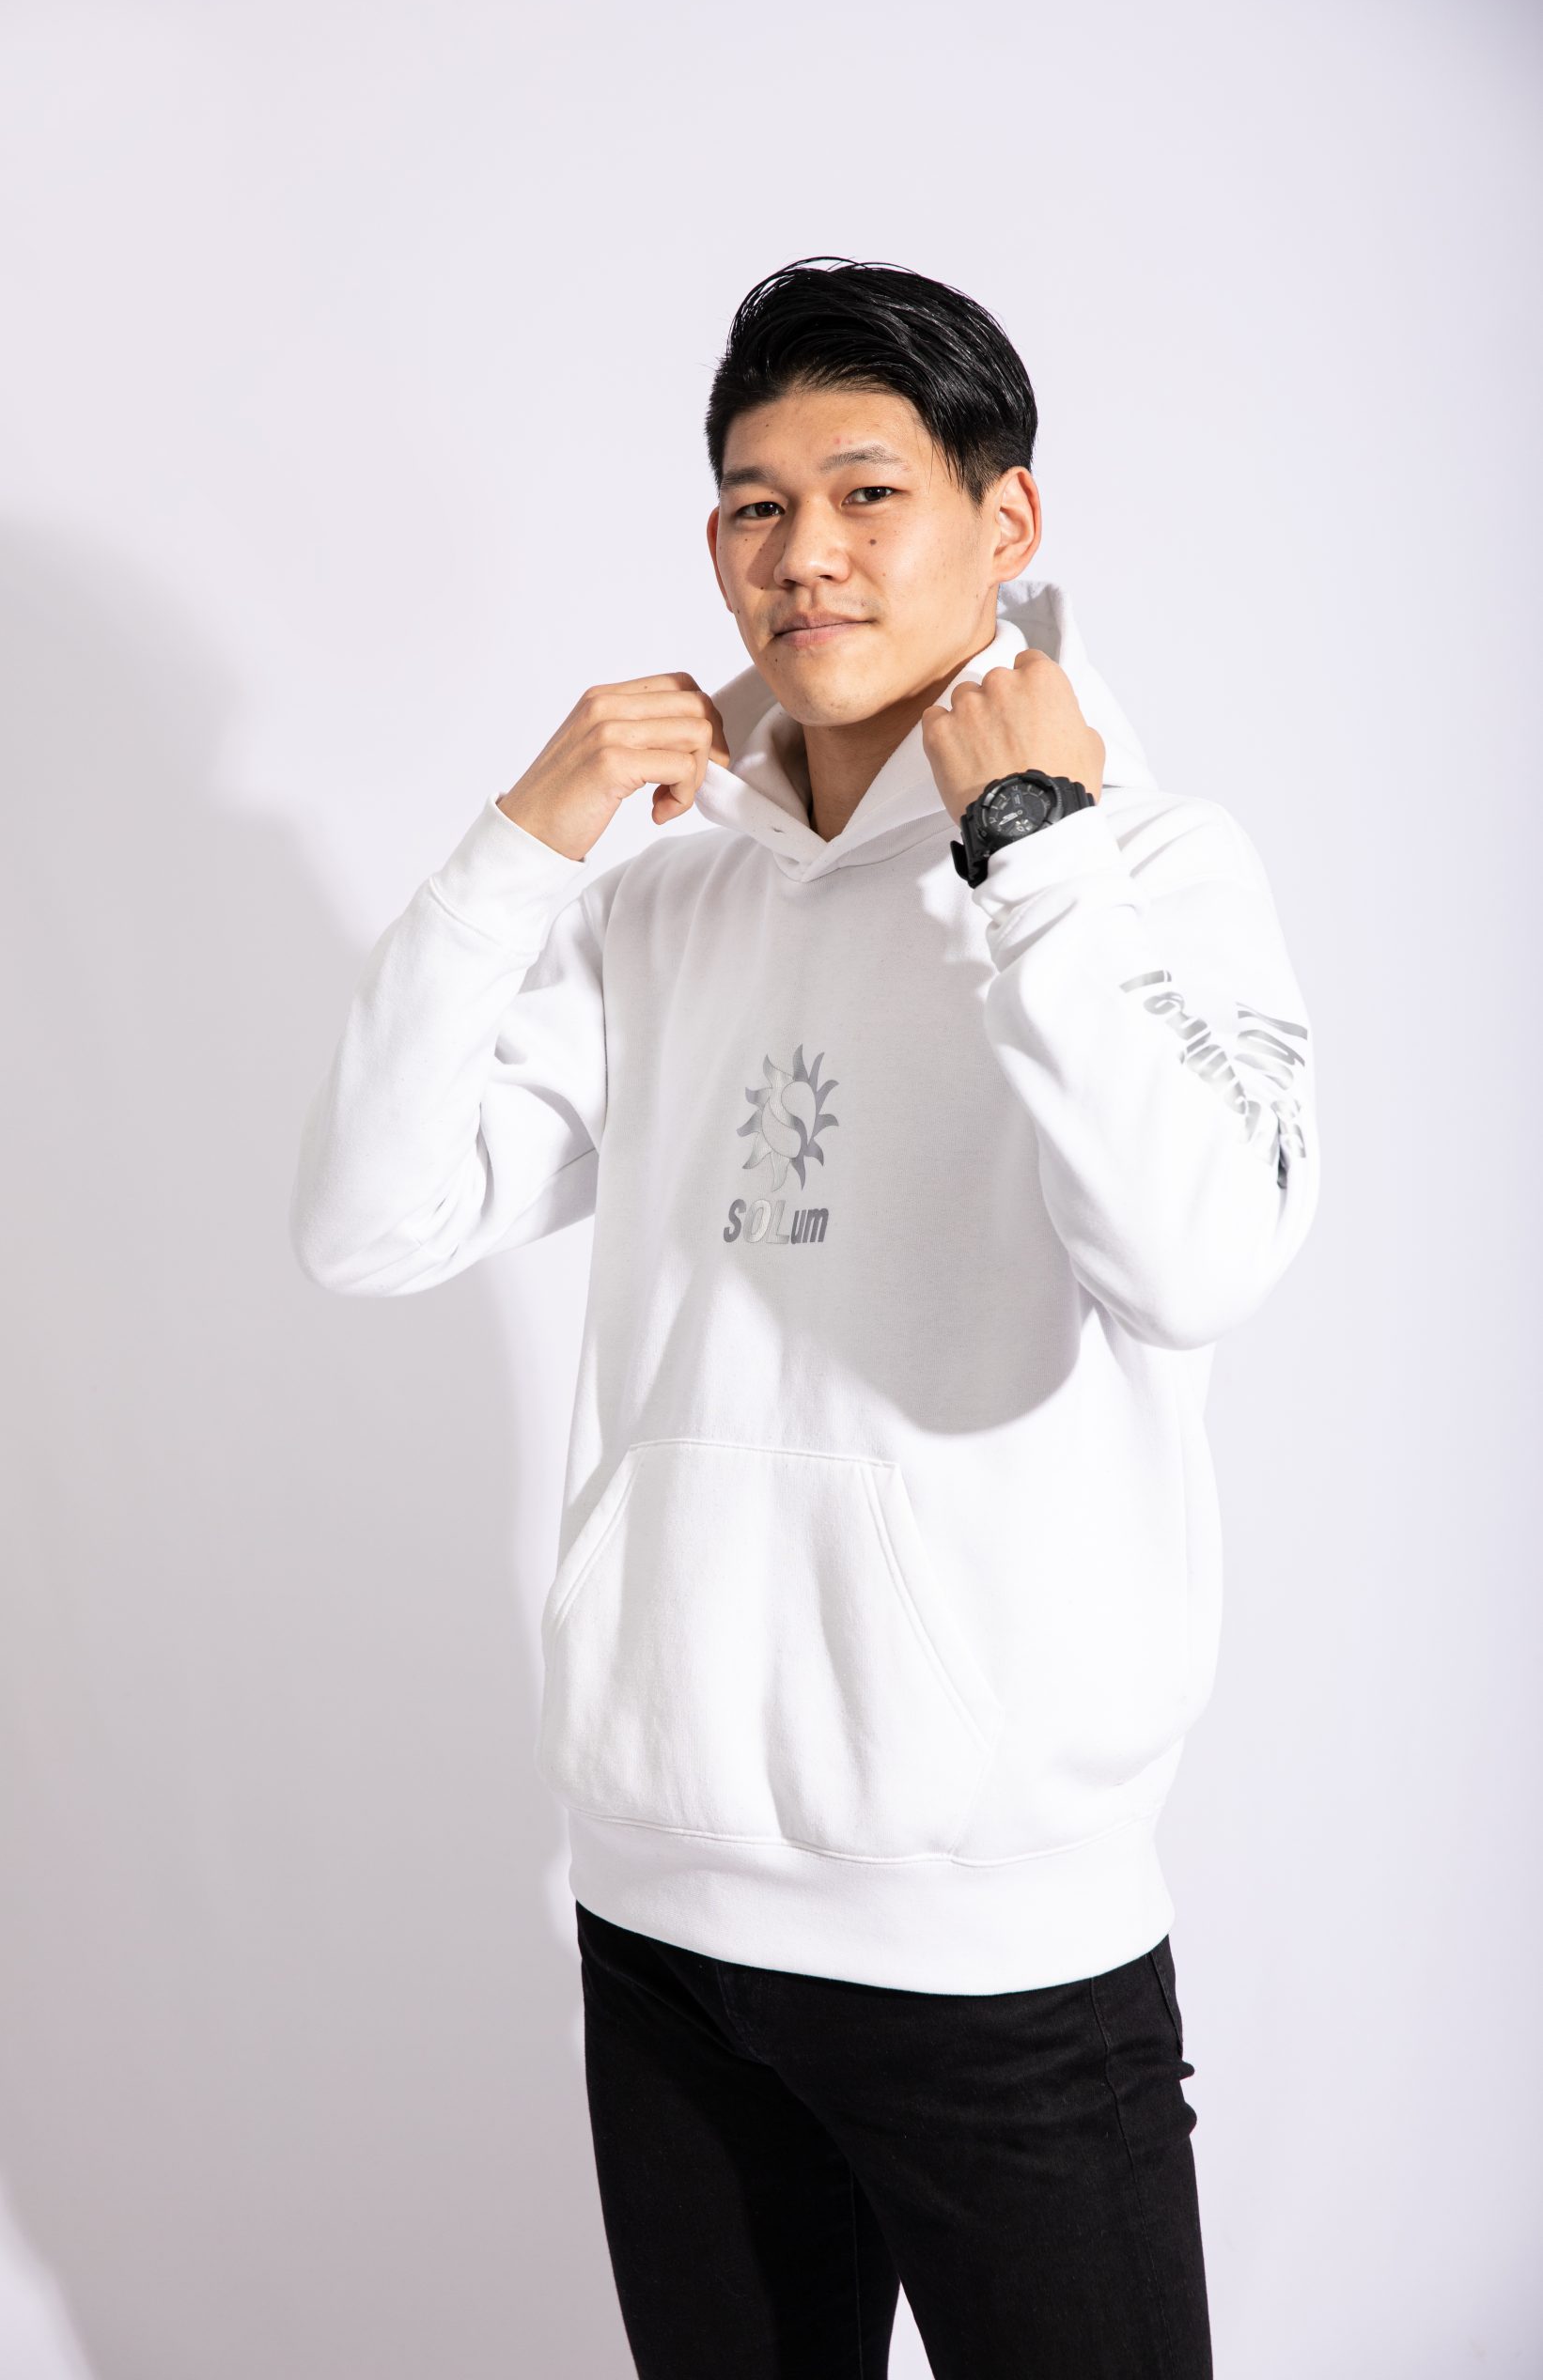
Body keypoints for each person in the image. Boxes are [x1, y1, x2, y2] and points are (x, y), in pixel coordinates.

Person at [288, 254, 1319, 2378]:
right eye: (756, 506)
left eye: (867, 494)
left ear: (1004, 522)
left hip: (998, 1952)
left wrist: (1028, 847)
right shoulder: (662, 894)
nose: (804, 554)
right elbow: (366, 1222)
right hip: (660, 1925)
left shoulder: (1148, 871)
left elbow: (1201, 1257)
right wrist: (517, 852)